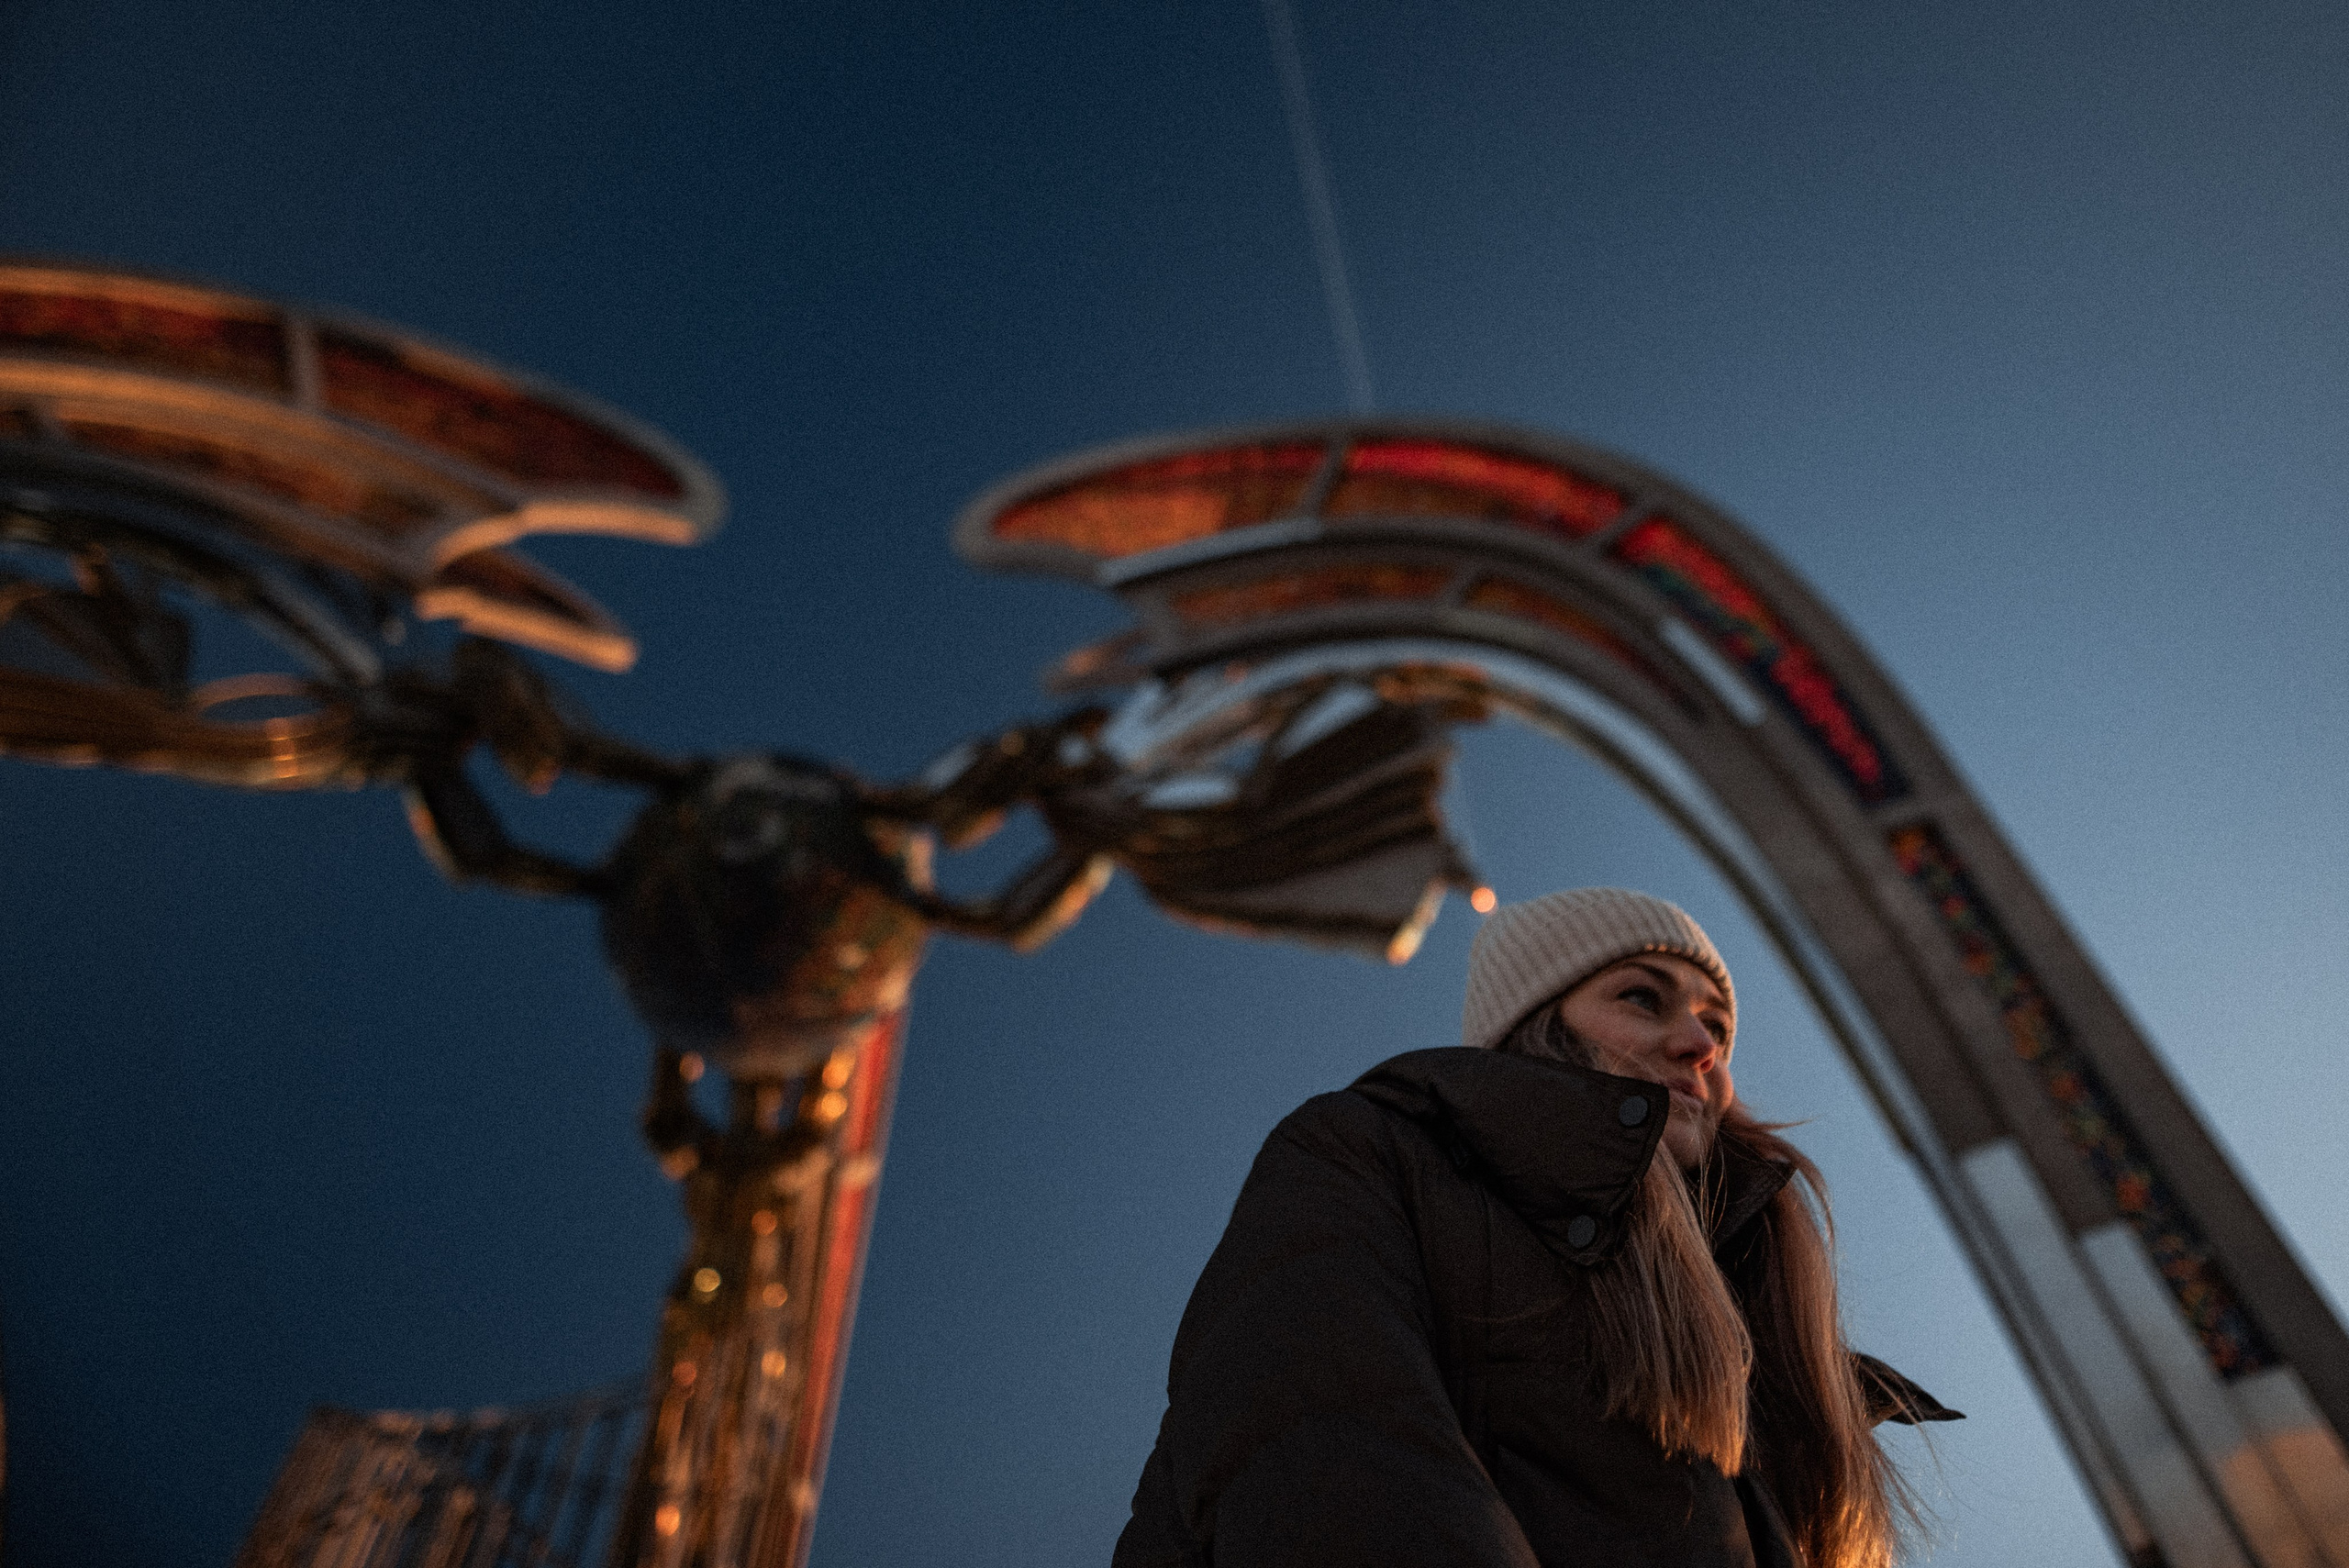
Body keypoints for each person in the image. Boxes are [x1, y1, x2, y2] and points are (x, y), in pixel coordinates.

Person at [1112, 887, 1959, 1568]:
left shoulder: (1769, 1326)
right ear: (1533, 1029)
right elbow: (1328, 1458)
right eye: (1642, 996)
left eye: (1718, 1023)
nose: (1699, 1042)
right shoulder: (1368, 1156)